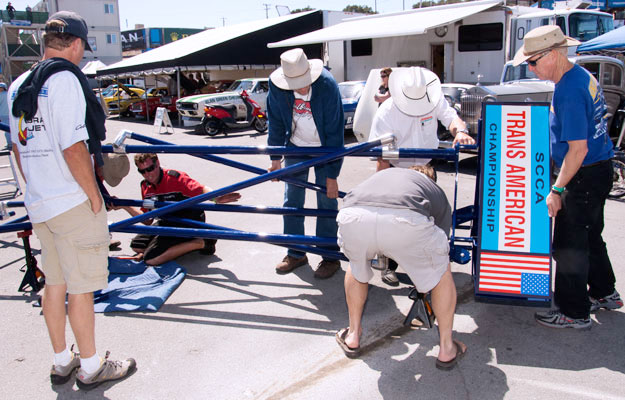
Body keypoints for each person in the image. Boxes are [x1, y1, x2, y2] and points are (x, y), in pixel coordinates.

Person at [8, 11, 135, 389]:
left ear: (47, 42)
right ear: (77, 44)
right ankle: (92, 366)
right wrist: (94, 195)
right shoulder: (64, 80)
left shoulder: (19, 84)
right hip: (72, 202)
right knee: (81, 287)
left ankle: (62, 360)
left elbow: (17, 147)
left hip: (41, 202)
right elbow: (73, 146)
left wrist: (35, 191)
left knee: (55, 284)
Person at [513, 25, 623, 329]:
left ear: (552, 54)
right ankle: (604, 292)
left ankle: (574, 312)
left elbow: (577, 150)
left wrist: (557, 189)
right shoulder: (580, 75)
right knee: (590, 236)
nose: (531, 69)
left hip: (582, 175)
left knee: (568, 245)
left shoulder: (568, 91)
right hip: (598, 169)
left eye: (533, 62)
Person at [335, 164, 467, 369]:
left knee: (357, 264)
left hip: (354, 214)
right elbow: (441, 246)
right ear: (430, 178)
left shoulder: (386, 174)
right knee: (441, 271)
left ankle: (353, 335)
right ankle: (447, 347)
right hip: (404, 218)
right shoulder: (432, 189)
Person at [369, 66, 475, 286]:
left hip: (426, 168)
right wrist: (381, 190)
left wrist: (461, 132)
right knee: (393, 218)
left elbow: (452, 119)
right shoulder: (387, 112)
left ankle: (423, 265)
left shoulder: (434, 100)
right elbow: (382, 158)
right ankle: (387, 263)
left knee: (426, 217)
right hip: (397, 170)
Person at [267, 48, 344, 279]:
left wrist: (332, 175)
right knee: (292, 199)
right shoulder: (277, 87)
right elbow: (276, 121)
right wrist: (275, 158)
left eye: (305, 82)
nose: (302, 88)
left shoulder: (327, 86)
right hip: (295, 145)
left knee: (327, 199)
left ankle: (329, 255)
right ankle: (296, 252)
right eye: (296, 84)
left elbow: (335, 133)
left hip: (324, 148)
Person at [116, 153, 240, 266]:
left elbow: (201, 189)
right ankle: (178, 244)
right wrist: (124, 205)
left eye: (150, 169)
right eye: (142, 171)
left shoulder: (175, 178)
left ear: (157, 163)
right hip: (167, 222)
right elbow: (147, 219)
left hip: (188, 221)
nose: (148, 174)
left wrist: (216, 198)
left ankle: (203, 242)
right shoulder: (146, 187)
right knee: (136, 246)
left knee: (151, 259)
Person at [0, 82, 9, 149]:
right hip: (11, 114)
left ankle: (10, 144)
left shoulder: (0, 95)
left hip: (3, 114)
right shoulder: (9, 93)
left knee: (7, 130)